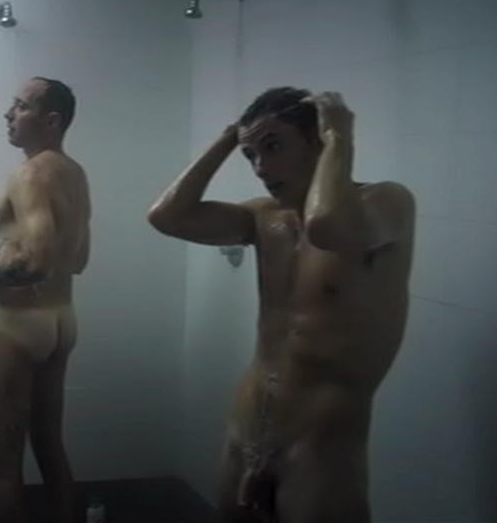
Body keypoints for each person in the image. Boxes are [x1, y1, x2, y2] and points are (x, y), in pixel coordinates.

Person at [147, 88, 415, 523]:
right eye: (250, 155)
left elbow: (326, 226)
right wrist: (228, 138)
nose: (260, 168)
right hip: (247, 427)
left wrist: (340, 136)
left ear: (317, 141)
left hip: (320, 444)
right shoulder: (264, 218)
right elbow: (166, 217)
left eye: (272, 147)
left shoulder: (386, 203)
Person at [0, 77, 90, 523]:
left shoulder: (30, 172)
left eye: (21, 106)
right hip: (61, 319)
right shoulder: (74, 172)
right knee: (49, 444)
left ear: (51, 121)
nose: (8, 114)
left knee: (4, 464)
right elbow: (79, 259)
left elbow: (37, 260)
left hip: (20, 323)